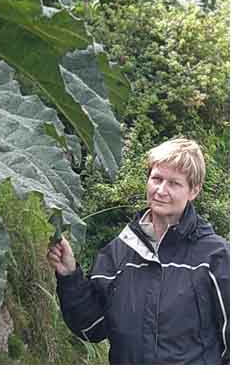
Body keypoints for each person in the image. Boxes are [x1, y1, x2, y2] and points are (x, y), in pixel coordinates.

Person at [47, 137, 229, 364]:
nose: (161, 190)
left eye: (174, 183)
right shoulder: (118, 252)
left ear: (194, 191)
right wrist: (69, 275)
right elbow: (91, 327)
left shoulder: (216, 257)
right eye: (156, 179)